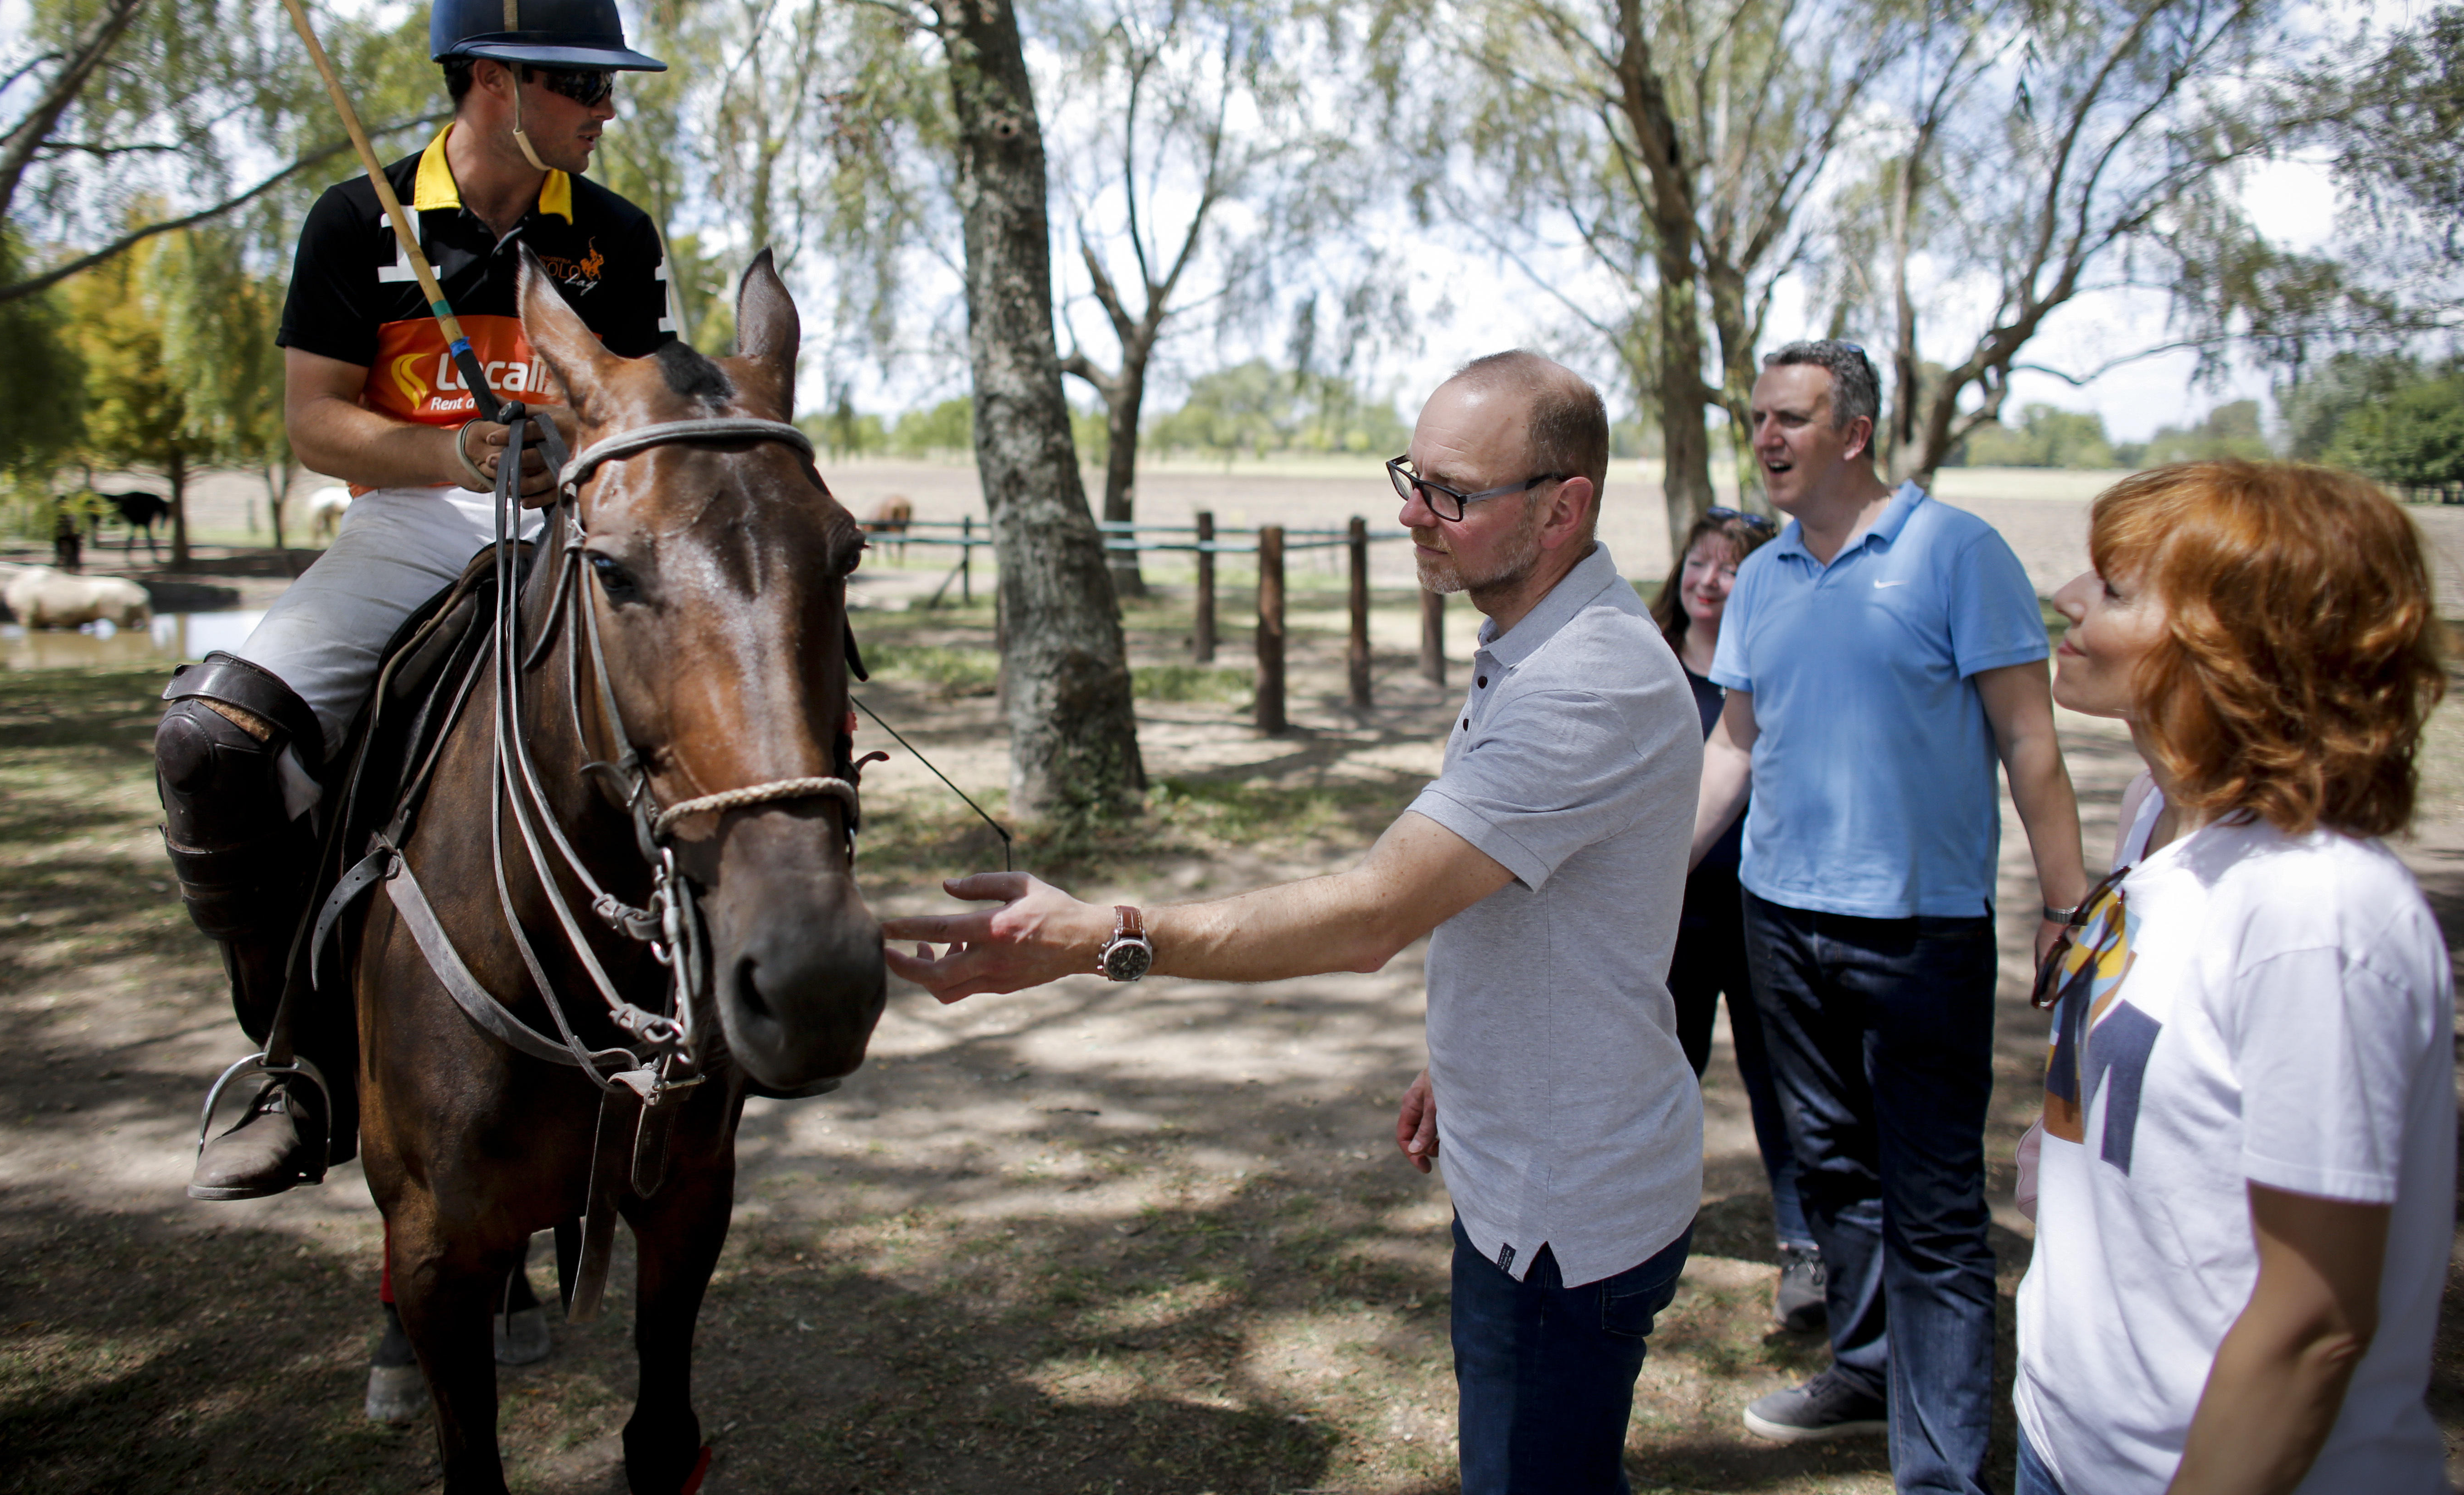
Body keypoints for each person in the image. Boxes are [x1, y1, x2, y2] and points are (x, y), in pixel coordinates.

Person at [880, 352, 1704, 1495]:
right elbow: (1532, 902)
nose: (1414, 513)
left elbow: (1372, 914)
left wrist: (1102, 936)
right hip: (1529, 1159)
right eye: (1410, 478)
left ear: (1566, 507)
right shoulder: (1540, 640)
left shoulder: (1587, 682)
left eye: (1454, 495)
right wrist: (1467, 1061)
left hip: (1567, 1222)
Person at [153, 0, 670, 1202]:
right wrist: (453, 448)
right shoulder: (358, 221)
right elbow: (315, 421)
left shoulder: (613, 238)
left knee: (704, 730)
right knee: (211, 744)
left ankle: (693, 1009)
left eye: (610, 90)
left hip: (565, 540)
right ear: (494, 80)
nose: (608, 112)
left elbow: (643, 414)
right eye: (584, 87)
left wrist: (589, 456)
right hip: (409, 528)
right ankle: (293, 1056)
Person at [1689, 341, 2086, 1494]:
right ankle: (1863, 1370)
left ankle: (1942, 1473)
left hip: (1922, 935)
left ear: (1853, 433)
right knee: (1831, 1171)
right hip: (1780, 924)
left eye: (1793, 419)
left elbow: (2030, 743)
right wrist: (1663, 871)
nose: (1768, 438)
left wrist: (2068, 908)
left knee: (1934, 1211)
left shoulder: (1957, 554)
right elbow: (1735, 748)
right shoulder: (1762, 578)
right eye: (1759, 417)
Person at [2015, 461, 2452, 1495]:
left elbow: (2312, 1325)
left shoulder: (2317, 913)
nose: (2070, 601)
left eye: (2116, 590)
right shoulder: (2156, 827)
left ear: (2233, 651)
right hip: (2065, 1442)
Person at [1647, 505, 1822, 1331]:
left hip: (1761, 911)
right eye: (1698, 561)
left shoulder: (1777, 672)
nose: (1708, 580)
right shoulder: (1644, 663)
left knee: (1778, 1080)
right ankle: (1641, 1231)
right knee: (1660, 1073)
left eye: (1729, 567)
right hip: (1667, 915)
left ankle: (1808, 1249)